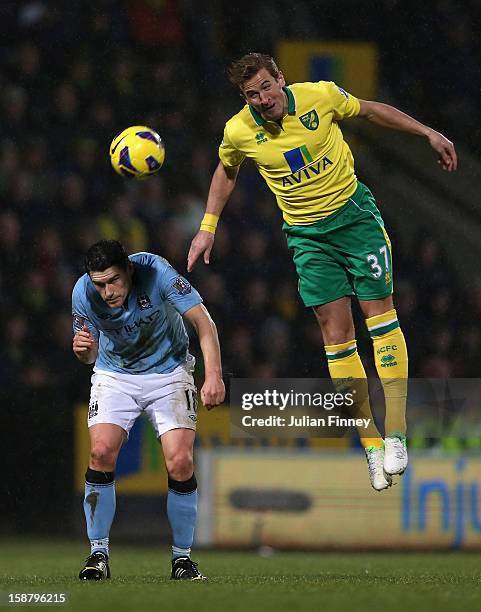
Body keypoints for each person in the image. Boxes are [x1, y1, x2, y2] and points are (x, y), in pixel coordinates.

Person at [187, 53, 457, 491]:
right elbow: (226, 168)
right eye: (251, 94)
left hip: (354, 220)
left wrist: (428, 132)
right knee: (336, 335)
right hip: (307, 237)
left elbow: (371, 110)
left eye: (266, 87)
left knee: (380, 317)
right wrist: (207, 227)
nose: (262, 99)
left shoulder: (320, 96)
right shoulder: (240, 130)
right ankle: (371, 446)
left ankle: (397, 434)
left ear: (281, 79)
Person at [72, 239, 224, 580]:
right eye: (100, 284)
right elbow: (89, 355)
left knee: (180, 461)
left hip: (169, 371)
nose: (107, 291)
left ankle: (182, 559)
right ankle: (98, 555)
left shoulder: (157, 272)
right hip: (116, 375)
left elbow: (204, 323)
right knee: (100, 453)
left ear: (129, 269)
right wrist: (83, 350)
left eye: (113, 281)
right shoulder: (82, 293)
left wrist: (212, 375)